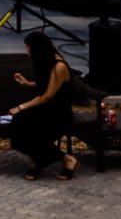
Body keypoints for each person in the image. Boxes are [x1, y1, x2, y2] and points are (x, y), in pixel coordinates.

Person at [9, 31, 79, 180]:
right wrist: (27, 83)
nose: (28, 54)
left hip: (58, 113)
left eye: (30, 51)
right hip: (46, 109)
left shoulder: (59, 67)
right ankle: (37, 161)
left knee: (33, 129)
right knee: (18, 124)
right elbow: (47, 85)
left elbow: (47, 95)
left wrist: (21, 107)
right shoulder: (45, 62)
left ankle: (66, 160)